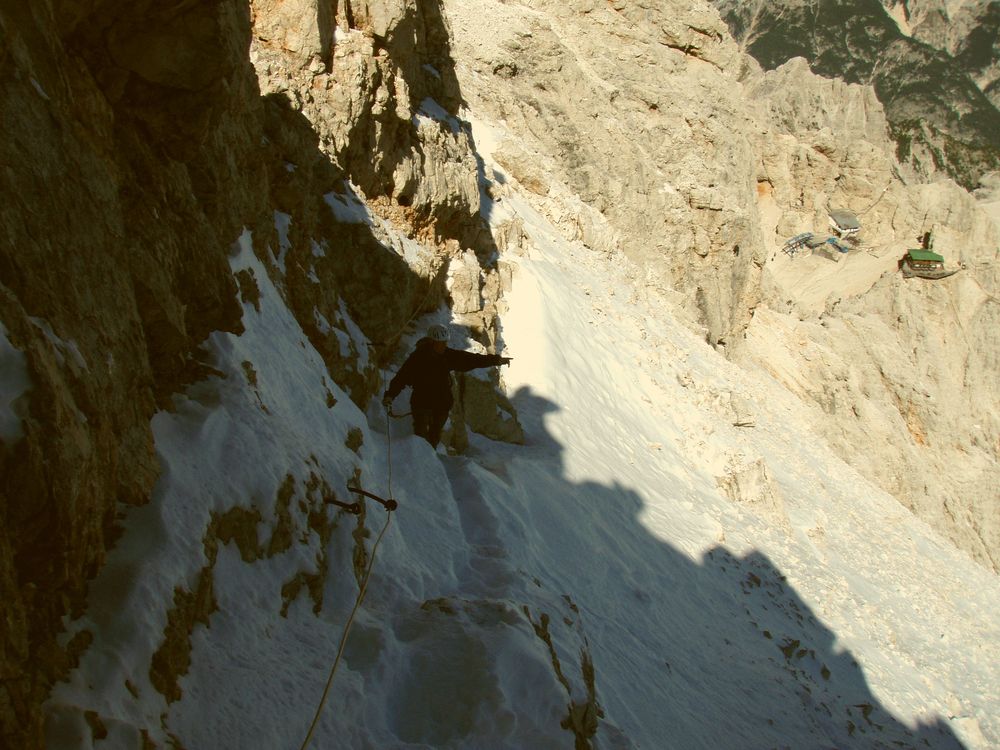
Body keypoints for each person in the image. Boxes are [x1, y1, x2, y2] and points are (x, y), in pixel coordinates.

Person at [382, 324, 511, 448]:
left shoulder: (447, 355)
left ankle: (429, 461)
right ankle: (421, 462)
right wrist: (390, 395)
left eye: (445, 342)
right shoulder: (418, 358)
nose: (444, 345)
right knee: (420, 436)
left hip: (441, 403)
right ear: (432, 343)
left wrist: (496, 360)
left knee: (434, 435)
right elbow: (402, 377)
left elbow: (471, 359)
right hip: (422, 403)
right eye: (442, 343)